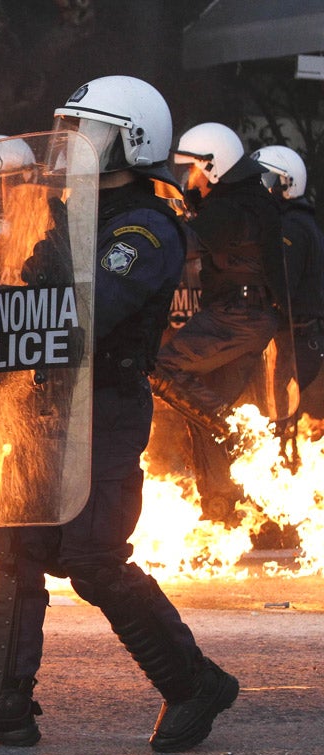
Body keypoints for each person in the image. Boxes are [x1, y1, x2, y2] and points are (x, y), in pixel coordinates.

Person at [0, 76, 239, 753]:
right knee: (12, 545)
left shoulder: (144, 226)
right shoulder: (71, 211)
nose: (70, 142)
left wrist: (36, 305)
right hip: (44, 399)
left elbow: (94, 310)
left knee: (92, 557)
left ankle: (194, 684)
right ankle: (4, 703)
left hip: (105, 408)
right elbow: (27, 286)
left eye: (86, 130)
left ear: (134, 138)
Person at [150, 123, 284, 522]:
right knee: (201, 407)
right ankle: (221, 505)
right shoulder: (249, 200)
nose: (186, 178)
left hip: (237, 316)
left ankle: (238, 433)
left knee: (163, 367)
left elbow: (185, 244)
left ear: (212, 166)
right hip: (244, 316)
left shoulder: (233, 206)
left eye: (191, 169)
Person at [251, 144, 324, 395]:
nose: (262, 189)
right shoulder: (299, 222)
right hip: (298, 341)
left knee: (274, 422)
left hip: (294, 343)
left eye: (267, 180)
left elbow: (281, 287)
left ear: (288, 183)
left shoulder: (291, 228)